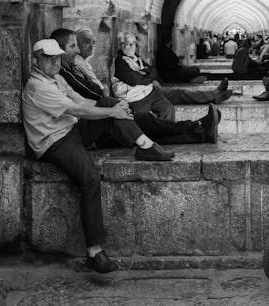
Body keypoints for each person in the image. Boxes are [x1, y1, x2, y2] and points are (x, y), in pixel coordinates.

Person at [22, 38, 218, 274]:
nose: (55, 62)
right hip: (55, 141)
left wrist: (114, 107)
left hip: (74, 127)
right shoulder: (38, 86)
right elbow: (77, 109)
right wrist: (113, 109)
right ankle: (94, 251)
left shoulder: (57, 78)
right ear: (36, 60)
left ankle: (147, 144)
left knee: (126, 115)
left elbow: (82, 100)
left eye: (57, 57)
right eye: (49, 59)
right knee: (90, 178)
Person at [51, 28, 220, 142]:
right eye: (73, 46)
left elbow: (152, 72)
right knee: (147, 126)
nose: (79, 50)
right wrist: (110, 107)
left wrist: (108, 100)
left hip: (115, 107)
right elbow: (86, 99)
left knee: (152, 121)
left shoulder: (71, 68)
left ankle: (199, 127)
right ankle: (199, 130)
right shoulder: (62, 74)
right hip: (102, 118)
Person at [113, 32, 232, 121]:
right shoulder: (120, 61)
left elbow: (153, 72)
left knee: (180, 93)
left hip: (151, 91)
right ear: (121, 45)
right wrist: (148, 76)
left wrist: (146, 76)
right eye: (127, 44)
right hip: (139, 97)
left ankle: (214, 94)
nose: (130, 46)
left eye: (133, 43)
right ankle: (212, 95)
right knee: (186, 82)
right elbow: (135, 80)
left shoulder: (137, 58)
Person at [72, 28, 110, 98]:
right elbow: (102, 90)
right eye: (86, 42)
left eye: (93, 43)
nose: (92, 46)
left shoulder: (82, 61)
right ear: (76, 44)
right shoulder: (77, 61)